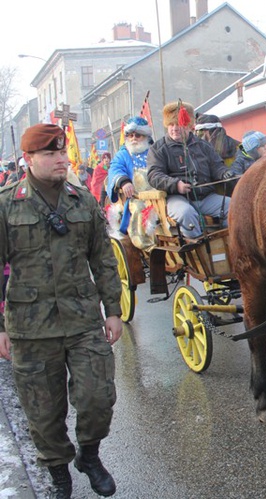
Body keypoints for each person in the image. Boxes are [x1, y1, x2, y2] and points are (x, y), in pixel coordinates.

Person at [0, 124, 123, 498]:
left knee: (98, 396)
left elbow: (103, 258)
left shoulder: (81, 200)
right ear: (29, 160)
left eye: (61, 153)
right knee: (43, 411)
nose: (60, 159)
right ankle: (58, 472)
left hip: (83, 317)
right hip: (29, 326)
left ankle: (89, 455)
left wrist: (114, 309)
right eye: (51, 154)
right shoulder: (7, 204)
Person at [147, 101, 234, 239]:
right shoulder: (158, 148)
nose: (174, 128)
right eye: (171, 125)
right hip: (176, 198)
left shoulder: (203, 146)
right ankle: (198, 252)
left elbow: (216, 166)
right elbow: (154, 175)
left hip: (205, 197)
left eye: (179, 124)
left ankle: (227, 243)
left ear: (189, 126)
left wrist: (224, 173)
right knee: (186, 213)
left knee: (234, 206)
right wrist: (176, 185)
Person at [107, 117, 153, 202]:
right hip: (133, 197)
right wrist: (124, 182)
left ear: (146, 137)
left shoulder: (155, 152)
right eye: (131, 135)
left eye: (138, 135)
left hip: (156, 195)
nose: (134, 138)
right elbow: (115, 168)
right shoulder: (122, 155)